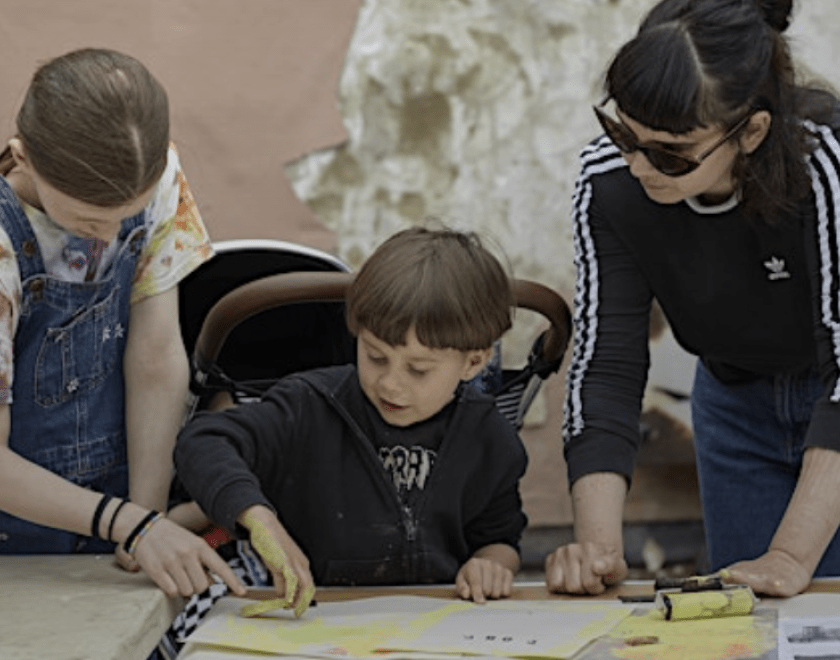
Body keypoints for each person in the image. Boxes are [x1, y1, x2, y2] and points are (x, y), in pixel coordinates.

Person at [545, 0, 840, 598]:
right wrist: (598, 549)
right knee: (749, 618)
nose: (638, 164)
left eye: (671, 152)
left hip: (829, 390)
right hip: (732, 402)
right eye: (624, 132)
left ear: (750, 131)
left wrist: (789, 552)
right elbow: (606, 363)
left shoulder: (824, 166)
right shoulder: (609, 180)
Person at [174, 225, 529, 617]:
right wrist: (258, 518)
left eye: (418, 370)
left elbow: (499, 538)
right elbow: (203, 441)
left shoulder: (488, 436)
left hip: (430, 621)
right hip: (307, 611)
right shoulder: (309, 404)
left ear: (473, 362)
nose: (390, 384)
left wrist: (492, 566)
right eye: (375, 356)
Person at [0, 47, 245, 599]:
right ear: (24, 158)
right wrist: (128, 524)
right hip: (13, 529)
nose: (109, 238)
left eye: (124, 215)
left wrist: (147, 517)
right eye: (88, 218)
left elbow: (157, 357)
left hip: (118, 492)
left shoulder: (159, 178)